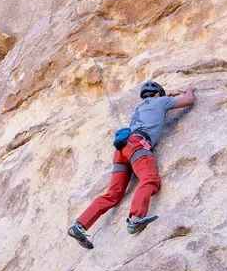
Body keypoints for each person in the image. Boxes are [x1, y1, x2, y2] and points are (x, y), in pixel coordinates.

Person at [67, 81, 196, 250]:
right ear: (158, 94)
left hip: (121, 148)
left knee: (113, 193)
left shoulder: (139, 106)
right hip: (138, 145)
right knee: (150, 180)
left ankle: (80, 225)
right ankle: (135, 219)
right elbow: (188, 101)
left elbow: (157, 101)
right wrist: (188, 89)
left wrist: (168, 92)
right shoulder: (160, 102)